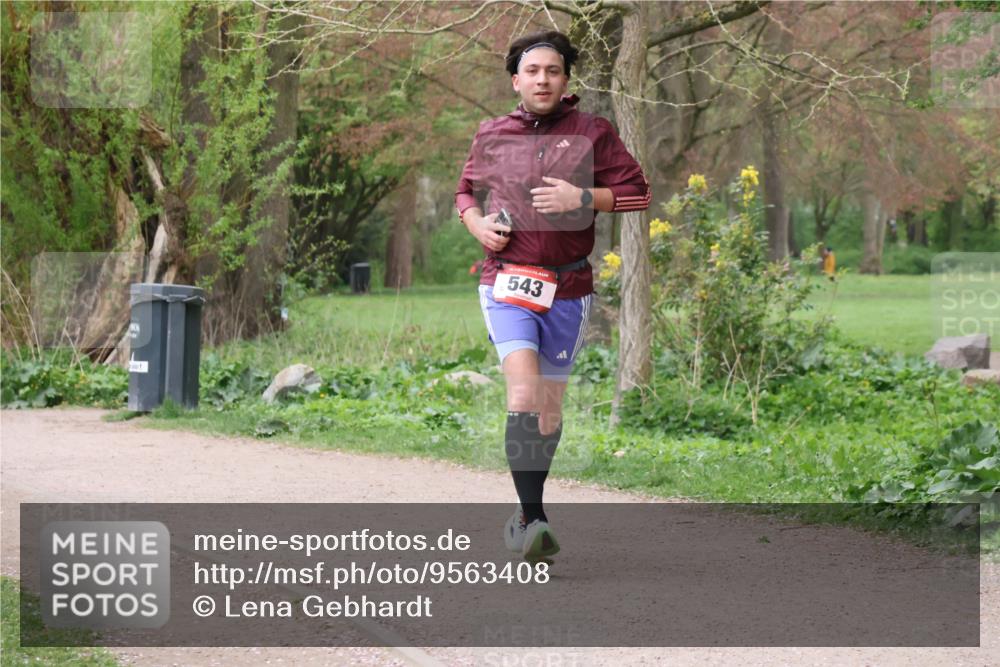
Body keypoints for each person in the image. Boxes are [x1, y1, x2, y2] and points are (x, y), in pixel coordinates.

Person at [454, 30, 650, 563]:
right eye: (532, 71)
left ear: (566, 80)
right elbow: (464, 191)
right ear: (516, 80)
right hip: (506, 281)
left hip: (568, 286)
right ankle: (535, 518)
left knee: (548, 411)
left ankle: (523, 515)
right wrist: (476, 225)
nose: (543, 79)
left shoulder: (593, 132)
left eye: (553, 71)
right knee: (523, 393)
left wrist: (583, 196)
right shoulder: (492, 133)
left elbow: (640, 192)